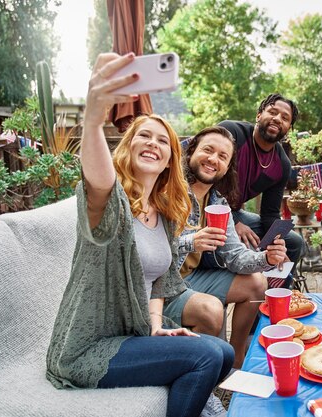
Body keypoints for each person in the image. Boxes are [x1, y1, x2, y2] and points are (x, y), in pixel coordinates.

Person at [45, 53, 234, 417]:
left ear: (168, 161)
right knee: (208, 354)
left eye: (162, 141)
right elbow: (98, 180)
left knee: (223, 353)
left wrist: (157, 328)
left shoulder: (162, 215)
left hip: (132, 335)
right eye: (143, 136)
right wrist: (94, 117)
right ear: (128, 147)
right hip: (88, 348)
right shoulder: (112, 204)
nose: (152, 142)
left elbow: (160, 283)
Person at [165, 125, 288, 368]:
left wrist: (267, 258)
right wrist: (191, 242)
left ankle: (237, 359)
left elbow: (235, 256)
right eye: (208, 150)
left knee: (256, 282)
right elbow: (145, 247)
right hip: (162, 287)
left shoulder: (217, 203)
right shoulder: (167, 190)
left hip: (192, 277)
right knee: (212, 311)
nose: (213, 160)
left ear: (227, 167)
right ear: (190, 151)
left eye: (223, 157)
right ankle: (208, 368)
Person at [219, 94, 304, 286]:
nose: (277, 119)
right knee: (244, 238)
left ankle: (272, 303)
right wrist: (233, 222)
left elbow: (269, 213)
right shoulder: (232, 134)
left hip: (235, 213)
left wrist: (278, 247)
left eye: (285, 118)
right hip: (208, 211)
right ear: (258, 115)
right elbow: (205, 186)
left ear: (288, 128)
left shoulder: (281, 164)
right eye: (272, 112)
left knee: (293, 242)